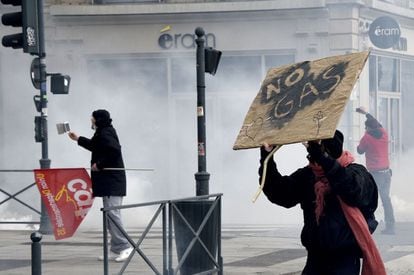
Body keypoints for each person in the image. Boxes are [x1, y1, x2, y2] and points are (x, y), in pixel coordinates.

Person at [259, 130, 385, 275]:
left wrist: (323, 158)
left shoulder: (356, 173)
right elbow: (280, 193)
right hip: (315, 259)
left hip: (344, 261)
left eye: (316, 152)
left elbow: (351, 189)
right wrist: (267, 157)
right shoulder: (309, 176)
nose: (311, 158)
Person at [68, 109, 133, 262]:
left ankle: (125, 247)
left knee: (113, 215)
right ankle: (116, 249)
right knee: (110, 216)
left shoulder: (105, 133)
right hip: (108, 182)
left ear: (98, 119)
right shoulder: (102, 132)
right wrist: (78, 139)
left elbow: (114, 151)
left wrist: (99, 164)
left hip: (112, 181)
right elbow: (95, 146)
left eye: (93, 118)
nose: (91, 120)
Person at [356, 106, 395, 235]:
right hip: (386, 173)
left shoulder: (367, 137)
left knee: (368, 199)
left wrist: (364, 135)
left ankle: (367, 225)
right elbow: (376, 122)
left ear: (368, 128)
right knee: (385, 199)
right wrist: (366, 113)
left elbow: (359, 150)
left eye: (365, 127)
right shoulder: (384, 133)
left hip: (375, 174)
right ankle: (391, 226)